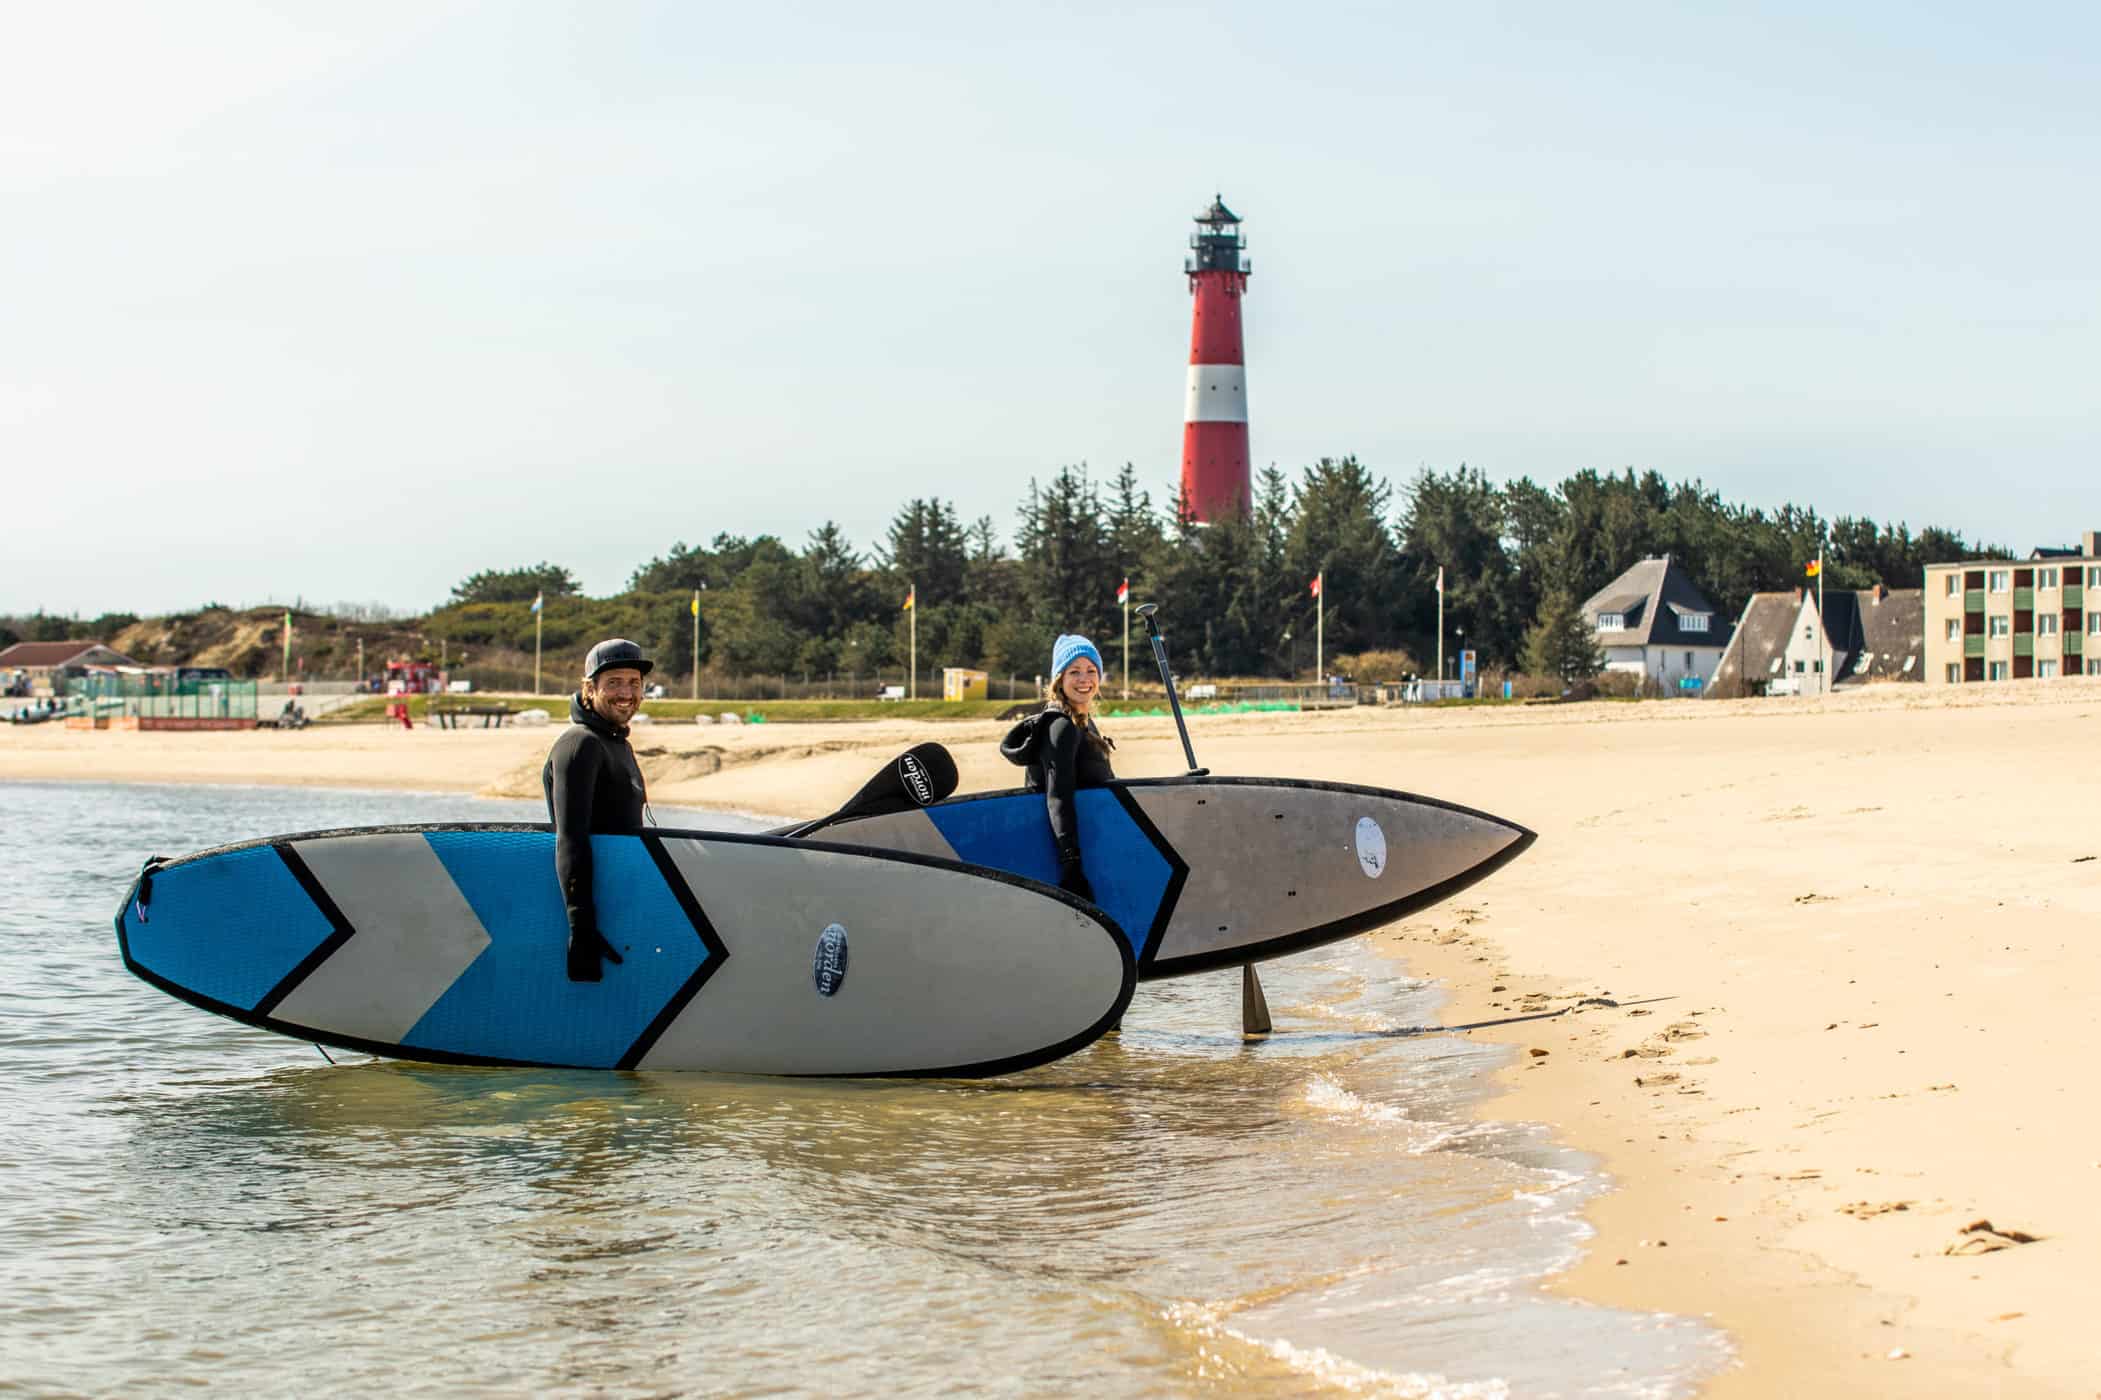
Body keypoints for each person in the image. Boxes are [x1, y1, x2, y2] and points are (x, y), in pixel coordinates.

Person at [542, 638, 653, 981]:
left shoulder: (617, 743)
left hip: (622, 898)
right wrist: (581, 927)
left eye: (634, 683)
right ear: (590, 689)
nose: (626, 693)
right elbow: (571, 840)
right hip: (598, 908)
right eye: (614, 683)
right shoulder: (580, 745)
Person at [1000, 633, 1116, 901]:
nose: (1084, 679)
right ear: (1059, 680)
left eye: (1091, 670)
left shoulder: (1083, 722)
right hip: (1071, 857)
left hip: (1095, 842)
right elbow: (1058, 798)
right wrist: (1071, 867)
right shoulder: (1061, 726)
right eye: (1074, 671)